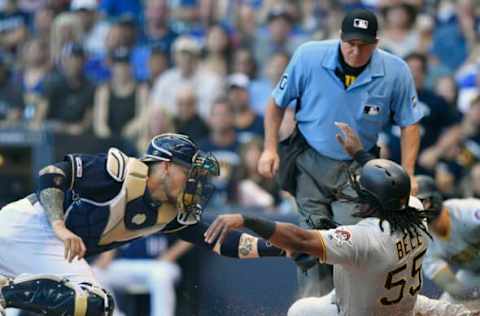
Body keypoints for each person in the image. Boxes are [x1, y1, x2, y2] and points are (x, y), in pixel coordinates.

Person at [0, 133, 287, 316]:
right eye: (189, 171)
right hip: (31, 225)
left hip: (48, 246)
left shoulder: (170, 213)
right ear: (164, 165)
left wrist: (281, 248)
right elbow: (51, 174)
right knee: (94, 302)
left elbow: (221, 240)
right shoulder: (120, 173)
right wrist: (59, 225)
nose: (195, 182)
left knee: (93, 305)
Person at [258, 8, 422, 296]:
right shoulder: (309, 56)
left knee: (353, 242)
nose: (356, 51)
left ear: (376, 43)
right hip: (309, 159)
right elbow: (275, 103)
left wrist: (409, 172)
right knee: (311, 241)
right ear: (340, 38)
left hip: (359, 168)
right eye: (351, 43)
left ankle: (354, 308)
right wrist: (269, 148)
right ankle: (311, 307)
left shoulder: (395, 70)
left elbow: (409, 124)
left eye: (364, 45)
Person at [205, 157, 433, 316]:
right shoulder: (414, 209)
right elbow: (393, 187)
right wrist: (359, 154)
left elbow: (301, 240)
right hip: (397, 305)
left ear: (374, 204)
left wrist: (247, 219)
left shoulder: (367, 239)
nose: (358, 198)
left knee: (300, 311)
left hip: (361, 311)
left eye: (363, 195)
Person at [416, 175, 480, 309]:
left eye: (422, 201)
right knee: (446, 305)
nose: (418, 208)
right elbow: (452, 286)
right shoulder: (424, 241)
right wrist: (474, 297)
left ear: (433, 198)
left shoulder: (466, 211)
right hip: (474, 274)